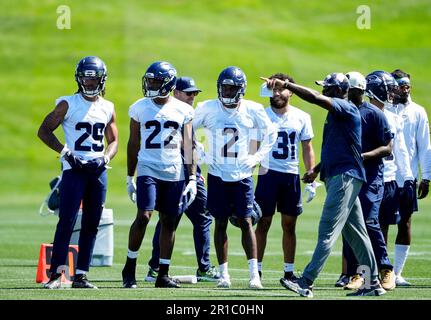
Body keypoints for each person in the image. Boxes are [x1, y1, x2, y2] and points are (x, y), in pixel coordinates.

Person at [262, 72, 385, 297]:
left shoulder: (345, 107)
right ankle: (373, 282)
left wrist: (287, 84)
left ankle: (306, 281)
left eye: (328, 88)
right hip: (342, 175)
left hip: (345, 177)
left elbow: (315, 98)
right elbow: (337, 147)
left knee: (327, 230)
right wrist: (316, 170)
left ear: (339, 91)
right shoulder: (340, 113)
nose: (324, 91)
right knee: (357, 233)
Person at [37, 56, 119, 289]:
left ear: (102, 81)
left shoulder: (108, 106)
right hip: (74, 170)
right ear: (78, 78)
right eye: (86, 78)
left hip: (98, 170)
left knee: (92, 223)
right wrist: (66, 153)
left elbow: (113, 141)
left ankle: (81, 275)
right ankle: (56, 274)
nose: (89, 83)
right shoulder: (67, 103)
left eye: (94, 80)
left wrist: (105, 157)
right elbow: (43, 131)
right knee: (67, 221)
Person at [193, 66, 277, 289]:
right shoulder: (208, 108)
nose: (228, 92)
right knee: (219, 222)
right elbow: (186, 127)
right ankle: (224, 275)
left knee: (246, 221)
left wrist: (257, 157)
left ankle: (254, 275)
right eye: (225, 87)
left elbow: (271, 133)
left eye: (232, 88)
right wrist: (199, 151)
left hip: (242, 174)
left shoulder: (253, 109)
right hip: (217, 173)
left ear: (241, 90)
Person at [121, 61, 197, 288]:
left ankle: (163, 273)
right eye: (150, 81)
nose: (151, 85)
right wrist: (129, 177)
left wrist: (192, 178)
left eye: (155, 81)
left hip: (174, 170)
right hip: (148, 168)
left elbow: (189, 145)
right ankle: (129, 268)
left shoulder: (184, 110)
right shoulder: (139, 107)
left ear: (168, 84)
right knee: (144, 216)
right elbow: (133, 142)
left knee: (169, 221)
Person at [144, 77, 219, 283]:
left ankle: (196, 268)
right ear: (175, 92)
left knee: (199, 217)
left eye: (195, 93)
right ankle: (157, 267)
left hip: (188, 172)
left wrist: (195, 172)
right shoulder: (174, 112)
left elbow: (191, 145)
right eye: (189, 92)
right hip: (175, 174)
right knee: (170, 219)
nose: (192, 96)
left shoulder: (185, 112)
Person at [254, 73, 316, 282]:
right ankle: (257, 270)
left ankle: (289, 272)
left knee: (289, 225)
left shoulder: (301, 116)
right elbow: (252, 146)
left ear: (291, 92)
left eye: (281, 88)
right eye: (273, 89)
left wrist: (312, 176)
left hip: (290, 175)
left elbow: (307, 147)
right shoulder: (261, 115)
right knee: (263, 223)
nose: (277, 93)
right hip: (267, 174)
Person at [339, 71, 395, 291]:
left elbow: (387, 148)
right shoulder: (343, 112)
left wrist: (363, 156)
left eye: (346, 88)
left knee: (370, 221)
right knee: (352, 225)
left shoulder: (374, 114)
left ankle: (385, 268)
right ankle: (358, 274)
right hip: (349, 177)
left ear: (356, 90)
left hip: (371, 177)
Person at [385, 69, 431, 286]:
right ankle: (380, 270)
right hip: (385, 177)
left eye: (407, 85)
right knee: (381, 223)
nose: (405, 88)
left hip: (408, 177)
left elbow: (425, 146)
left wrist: (427, 176)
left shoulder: (418, 112)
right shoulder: (383, 109)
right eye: (400, 84)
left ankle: (397, 272)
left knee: (405, 223)